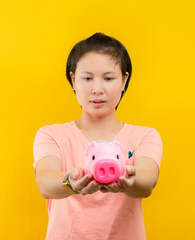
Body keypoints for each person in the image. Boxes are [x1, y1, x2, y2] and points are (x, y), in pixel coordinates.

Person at [32, 32, 163, 240]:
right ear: (73, 80)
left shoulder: (145, 136)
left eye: (109, 78)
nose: (97, 89)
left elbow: (147, 182)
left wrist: (130, 180)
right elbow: (45, 182)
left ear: (124, 81)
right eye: (87, 78)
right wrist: (70, 183)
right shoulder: (51, 135)